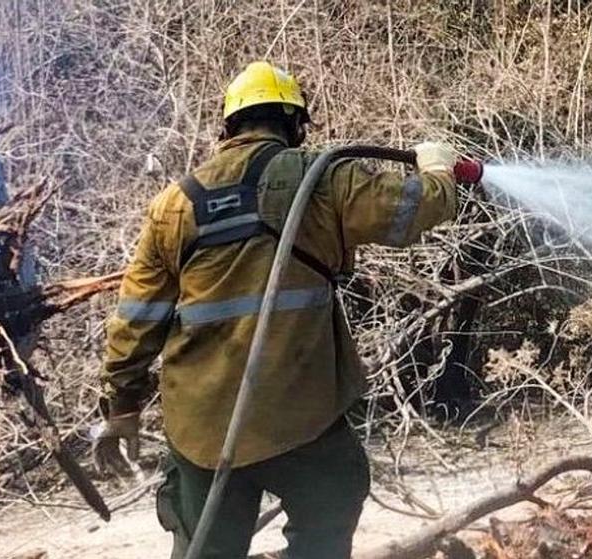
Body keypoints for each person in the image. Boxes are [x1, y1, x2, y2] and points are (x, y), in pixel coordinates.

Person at [91, 61, 459, 558]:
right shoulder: (323, 179)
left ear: (228, 127)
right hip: (299, 412)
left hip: (202, 424)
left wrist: (122, 407)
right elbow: (411, 209)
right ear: (295, 123)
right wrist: (438, 169)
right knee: (332, 503)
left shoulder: (173, 205)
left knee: (206, 548)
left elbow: (136, 317)